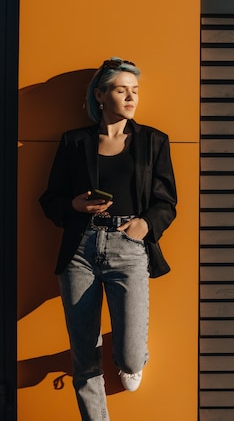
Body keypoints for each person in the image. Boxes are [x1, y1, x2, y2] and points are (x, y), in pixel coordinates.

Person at [39, 57, 177, 421]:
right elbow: (49, 200)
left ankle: (129, 362)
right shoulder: (74, 141)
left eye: (135, 91)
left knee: (130, 355)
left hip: (129, 248)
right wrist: (73, 204)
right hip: (80, 251)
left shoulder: (153, 141)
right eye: (121, 90)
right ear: (100, 96)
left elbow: (166, 202)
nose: (131, 97)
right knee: (85, 358)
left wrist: (144, 226)